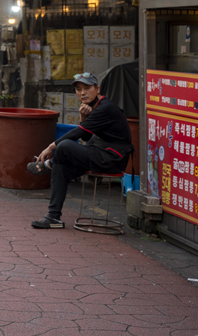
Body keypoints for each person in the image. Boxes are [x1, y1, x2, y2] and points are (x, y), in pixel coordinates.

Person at [27, 73, 133, 229]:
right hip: (98, 154)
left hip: (111, 159)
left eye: (87, 88)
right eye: (78, 89)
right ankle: (53, 217)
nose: (82, 92)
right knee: (60, 167)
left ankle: (48, 163)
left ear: (97, 89)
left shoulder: (106, 107)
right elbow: (87, 136)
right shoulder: (95, 107)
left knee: (64, 145)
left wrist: (50, 147)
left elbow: (79, 133)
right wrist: (83, 117)